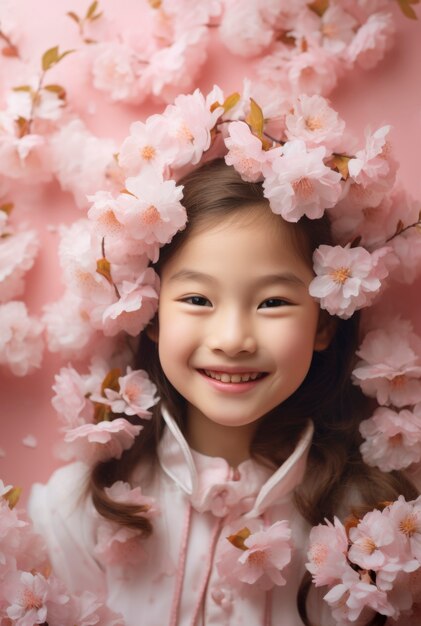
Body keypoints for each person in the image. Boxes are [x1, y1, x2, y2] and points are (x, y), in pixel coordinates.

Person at [29, 158, 418, 626]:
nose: (233, 339)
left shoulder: (371, 526)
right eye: (198, 300)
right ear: (151, 314)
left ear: (324, 324)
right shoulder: (79, 507)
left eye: (272, 302)